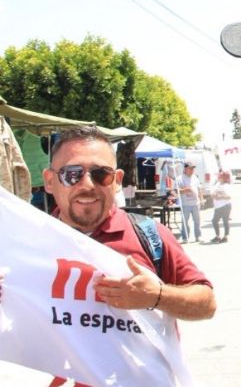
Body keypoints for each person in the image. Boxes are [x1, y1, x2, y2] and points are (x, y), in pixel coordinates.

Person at [41, 127, 216, 384]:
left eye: (101, 174)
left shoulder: (149, 234)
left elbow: (206, 303)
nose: (87, 185)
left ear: (117, 179)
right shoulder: (31, 242)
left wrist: (156, 296)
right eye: (72, 174)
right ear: (49, 181)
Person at [178, 161, 203, 243]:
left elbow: (199, 189)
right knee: (185, 221)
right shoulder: (179, 178)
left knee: (197, 220)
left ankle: (198, 236)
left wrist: (201, 199)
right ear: (185, 168)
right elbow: (175, 191)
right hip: (185, 204)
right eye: (190, 168)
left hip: (196, 203)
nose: (192, 170)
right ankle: (185, 237)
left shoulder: (195, 177)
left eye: (193, 168)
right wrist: (185, 190)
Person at [211, 170, 232, 243]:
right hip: (218, 206)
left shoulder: (227, 186)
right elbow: (213, 192)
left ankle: (223, 236)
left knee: (218, 221)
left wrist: (219, 196)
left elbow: (229, 196)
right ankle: (219, 236)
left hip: (224, 206)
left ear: (224, 178)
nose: (218, 177)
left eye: (220, 176)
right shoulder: (218, 184)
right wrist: (213, 195)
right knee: (217, 221)